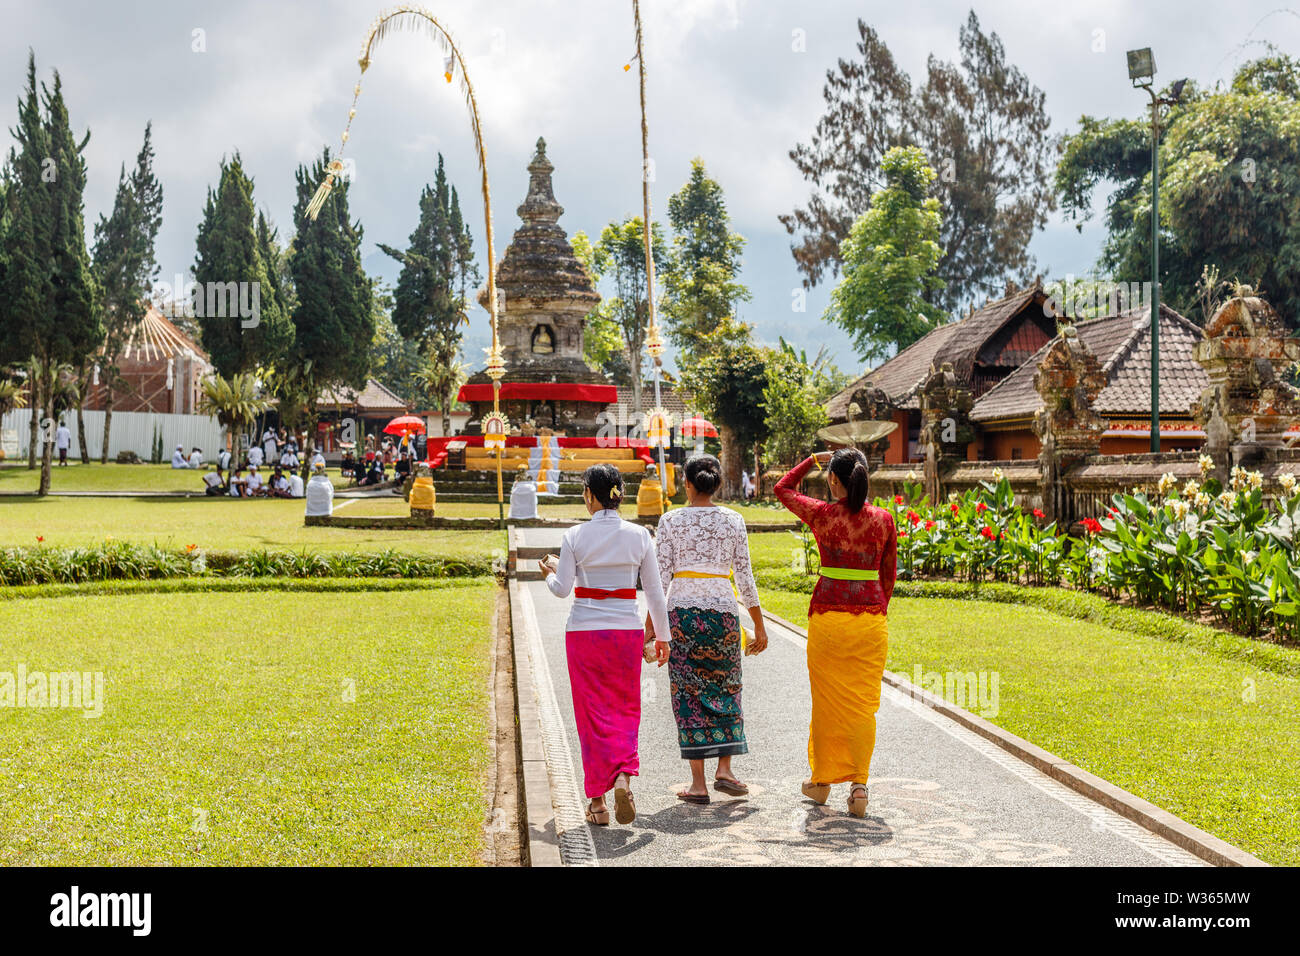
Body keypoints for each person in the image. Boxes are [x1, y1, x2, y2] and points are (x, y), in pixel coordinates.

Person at [538, 464, 672, 827]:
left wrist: (550, 572)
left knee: (591, 716)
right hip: (624, 633)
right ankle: (624, 777)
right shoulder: (640, 536)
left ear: (588, 495)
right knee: (625, 709)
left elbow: (562, 589)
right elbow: (656, 595)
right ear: (620, 495)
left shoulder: (574, 536)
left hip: (583, 634)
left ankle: (597, 802)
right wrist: (662, 638)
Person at [775, 448, 896, 818]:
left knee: (826, 704)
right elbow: (888, 576)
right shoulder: (883, 519)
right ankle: (859, 785)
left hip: (828, 620)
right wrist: (876, 608)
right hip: (870, 623)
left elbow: (783, 489)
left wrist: (811, 459)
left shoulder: (823, 514)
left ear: (832, 480)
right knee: (863, 706)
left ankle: (822, 781)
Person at [652, 454, 768, 805]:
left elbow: (659, 581)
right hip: (723, 615)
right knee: (727, 687)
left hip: (682, 617)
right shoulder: (733, 519)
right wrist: (759, 627)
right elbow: (745, 578)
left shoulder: (670, 520)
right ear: (716, 484)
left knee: (688, 695)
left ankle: (699, 784)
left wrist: (651, 631)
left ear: (687, 483)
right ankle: (726, 770)